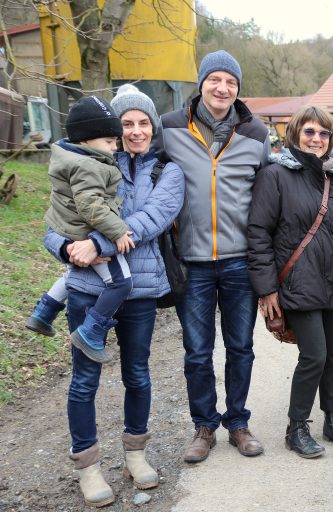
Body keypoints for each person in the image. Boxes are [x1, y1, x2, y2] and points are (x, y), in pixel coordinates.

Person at [43, 84, 184, 507]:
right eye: (127, 124)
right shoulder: (89, 162)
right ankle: (88, 467)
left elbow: (152, 219)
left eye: (144, 123)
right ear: (113, 129)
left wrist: (98, 245)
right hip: (87, 289)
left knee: (137, 375)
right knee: (84, 381)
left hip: (138, 291)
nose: (137, 131)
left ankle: (135, 456)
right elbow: (54, 222)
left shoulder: (166, 171)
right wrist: (66, 248)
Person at [154, 50, 270, 462]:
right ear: (201, 83)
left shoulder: (256, 133)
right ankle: (204, 425)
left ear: (238, 89)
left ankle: (238, 422)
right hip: (192, 261)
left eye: (231, 82)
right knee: (197, 351)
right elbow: (143, 174)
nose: (223, 88)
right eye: (215, 80)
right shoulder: (169, 128)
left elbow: (270, 187)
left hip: (241, 260)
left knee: (240, 346)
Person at [247, 105, 333, 459]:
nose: (317, 139)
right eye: (310, 132)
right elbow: (258, 234)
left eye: (324, 133)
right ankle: (296, 427)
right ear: (295, 135)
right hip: (297, 283)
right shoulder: (274, 176)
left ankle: (332, 419)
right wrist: (267, 288)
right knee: (314, 355)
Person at [28, 96, 135, 364]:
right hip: (85, 231)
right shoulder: (89, 165)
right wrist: (118, 231)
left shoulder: (69, 156)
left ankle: (44, 311)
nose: (114, 147)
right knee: (121, 282)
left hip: (67, 229)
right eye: (109, 142)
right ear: (87, 140)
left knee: (71, 272)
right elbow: (91, 207)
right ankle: (91, 331)